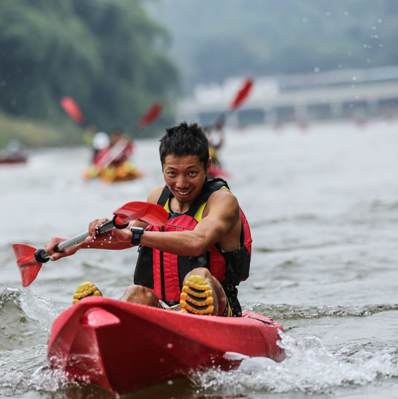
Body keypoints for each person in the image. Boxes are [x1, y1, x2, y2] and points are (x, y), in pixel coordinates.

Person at [46, 122, 252, 317]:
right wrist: (76, 244)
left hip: (221, 311)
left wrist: (136, 235)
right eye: (172, 173)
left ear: (207, 167)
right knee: (136, 292)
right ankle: (103, 319)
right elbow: (126, 238)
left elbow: (198, 242)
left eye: (191, 173)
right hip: (163, 309)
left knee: (198, 276)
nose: (181, 183)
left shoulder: (223, 201)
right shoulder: (157, 198)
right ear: (162, 168)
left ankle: (193, 313)